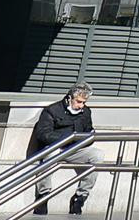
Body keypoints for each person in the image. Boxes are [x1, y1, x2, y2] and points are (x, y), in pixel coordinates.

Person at [29, 85, 95, 215]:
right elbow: (43, 134)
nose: (81, 106)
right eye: (79, 102)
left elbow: (89, 132)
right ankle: (43, 196)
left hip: (75, 149)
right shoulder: (52, 110)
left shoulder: (86, 112)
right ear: (70, 98)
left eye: (84, 102)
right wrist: (67, 138)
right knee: (50, 154)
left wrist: (86, 138)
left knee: (97, 155)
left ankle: (79, 198)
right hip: (56, 147)